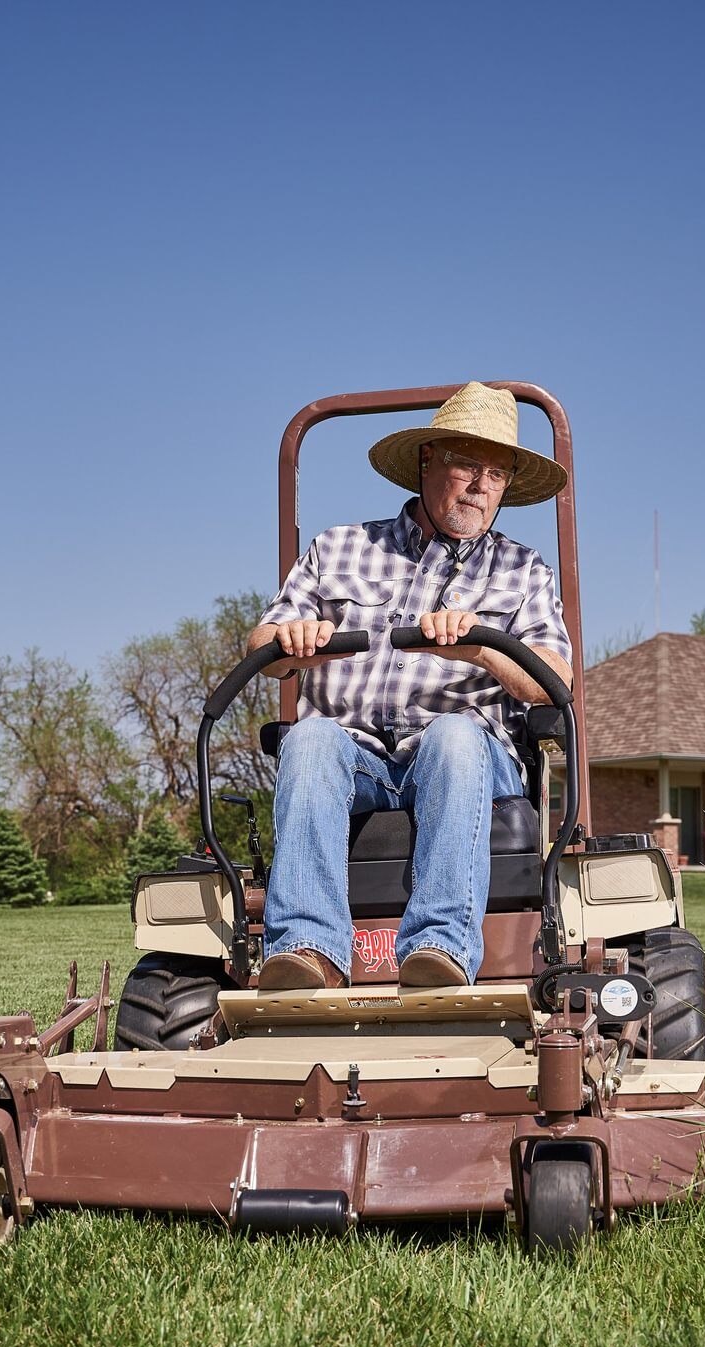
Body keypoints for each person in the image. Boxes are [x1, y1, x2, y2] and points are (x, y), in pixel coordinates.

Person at [246, 382, 572, 990]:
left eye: (497, 473)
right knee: (310, 738)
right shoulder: (337, 547)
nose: (481, 485)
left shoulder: (522, 568)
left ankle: (439, 950)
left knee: (454, 734)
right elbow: (261, 649)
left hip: (470, 757)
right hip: (356, 755)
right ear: (427, 461)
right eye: (467, 464)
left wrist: (478, 644)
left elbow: (554, 681)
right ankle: (306, 952)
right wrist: (284, 642)